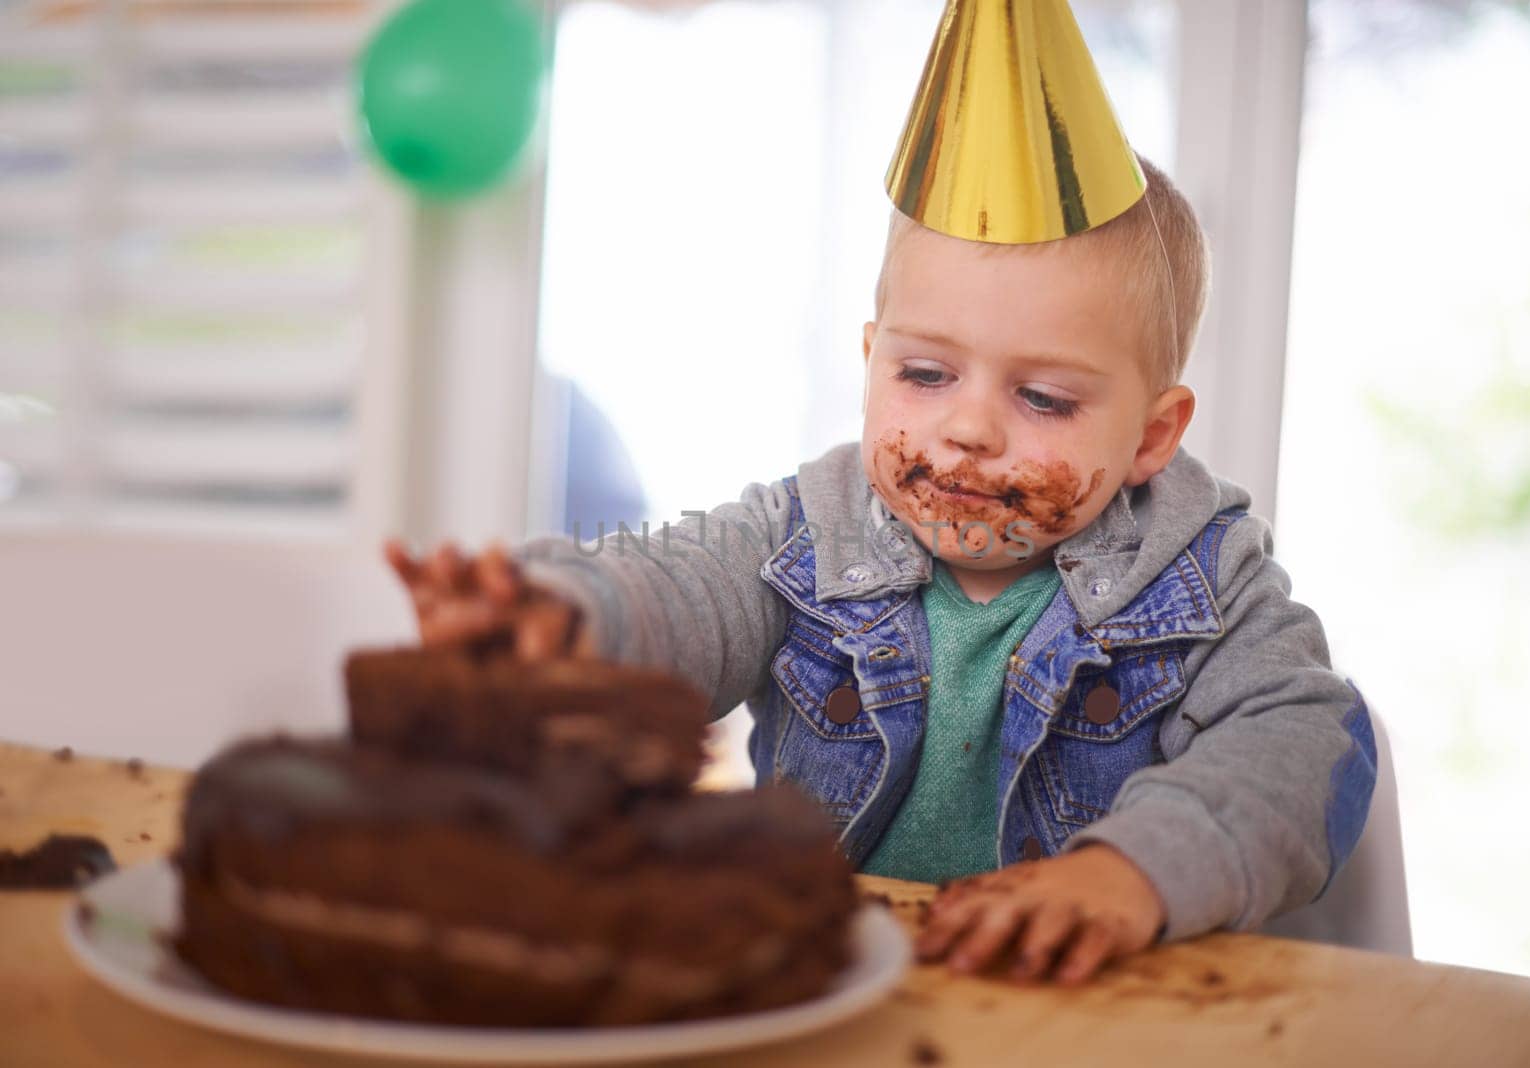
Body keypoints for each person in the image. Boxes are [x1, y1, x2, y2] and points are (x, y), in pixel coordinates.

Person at [383, 0, 1377, 986]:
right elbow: (677, 589)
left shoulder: (1202, 580)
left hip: (1091, 1015)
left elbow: (1301, 742)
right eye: (925, 376)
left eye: (1041, 396)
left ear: (1152, 436)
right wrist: (559, 616)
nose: (969, 427)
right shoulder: (808, 535)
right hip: (833, 996)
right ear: (870, 361)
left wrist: (1132, 875)